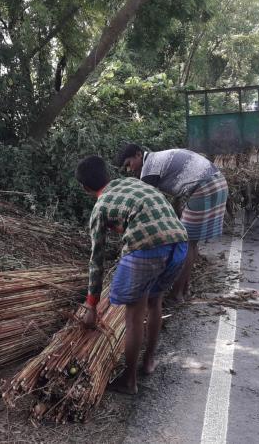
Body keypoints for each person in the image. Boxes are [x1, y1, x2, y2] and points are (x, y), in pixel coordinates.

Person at [75, 155, 188, 394]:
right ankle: (148, 362)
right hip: (180, 241)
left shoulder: (100, 207)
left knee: (134, 315)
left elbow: (96, 261)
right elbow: (150, 214)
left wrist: (92, 306)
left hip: (148, 248)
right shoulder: (134, 183)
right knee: (154, 302)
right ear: (107, 174)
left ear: (85, 187)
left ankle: (129, 380)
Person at [115, 143, 228, 303]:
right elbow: (175, 194)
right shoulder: (157, 160)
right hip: (215, 182)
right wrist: (175, 221)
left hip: (206, 187)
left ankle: (177, 294)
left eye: (129, 164)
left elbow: (147, 209)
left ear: (139, 154)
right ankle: (184, 288)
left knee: (186, 242)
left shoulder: (149, 170)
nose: (129, 170)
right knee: (191, 242)